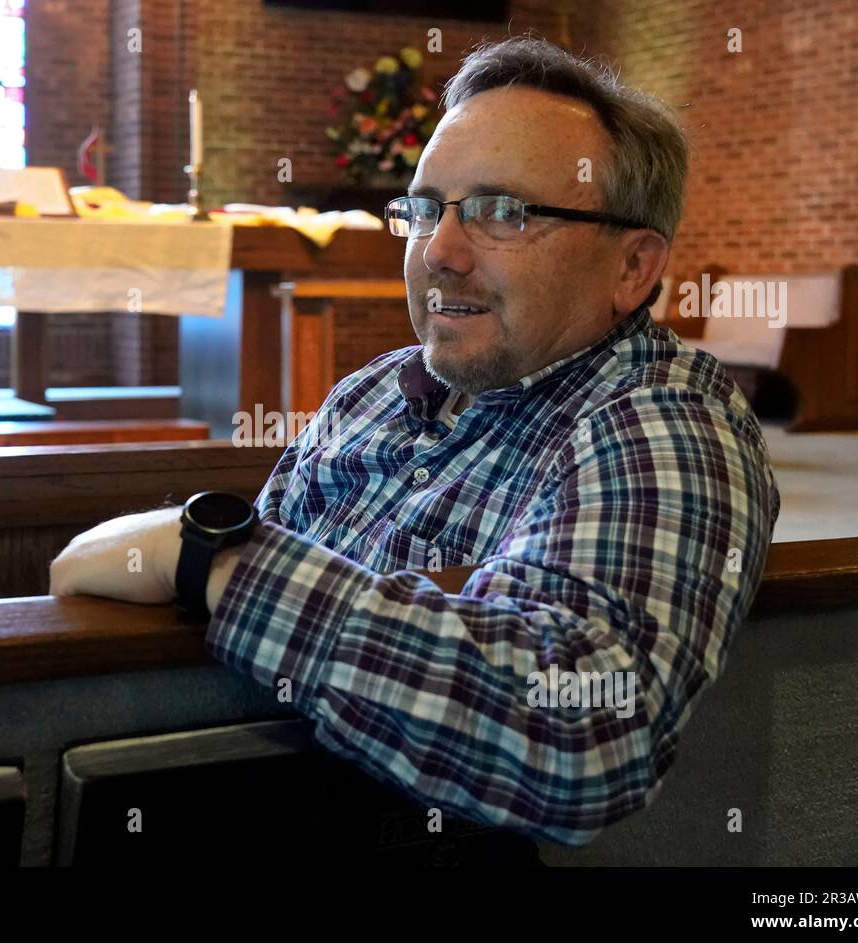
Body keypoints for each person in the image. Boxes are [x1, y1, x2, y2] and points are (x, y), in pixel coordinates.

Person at [50, 36, 779, 848]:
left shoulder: (663, 420)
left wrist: (212, 557)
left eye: (504, 212)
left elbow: (581, 732)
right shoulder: (369, 394)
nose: (440, 251)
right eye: (428, 209)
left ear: (633, 268)